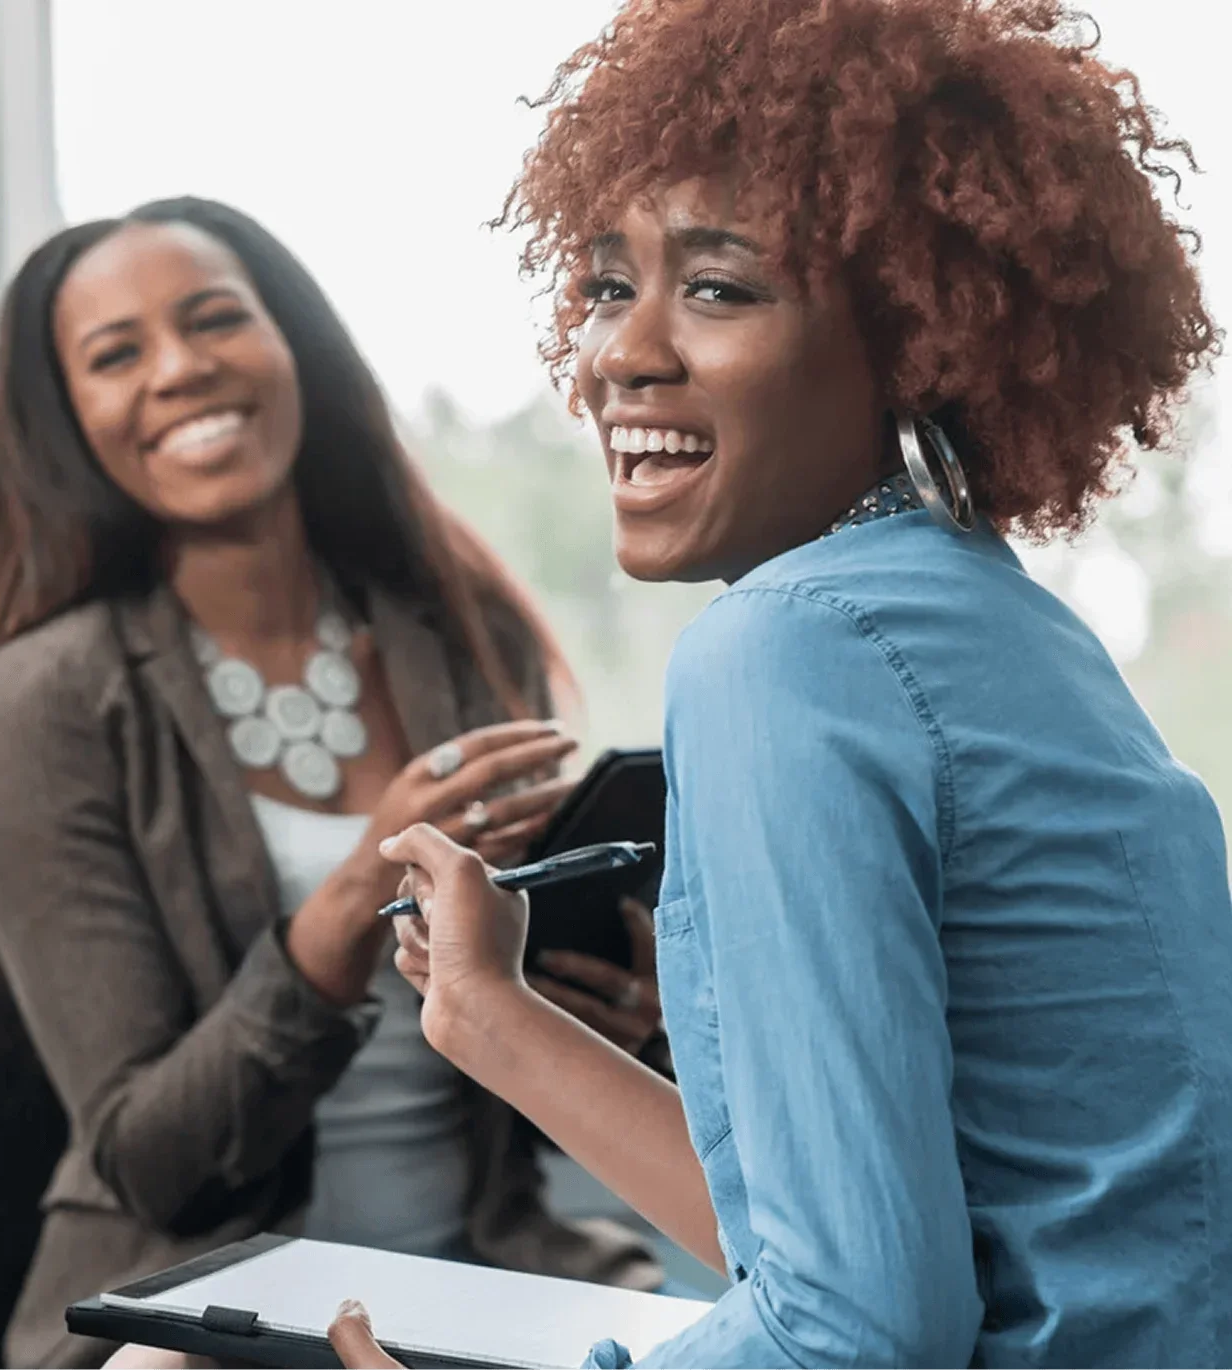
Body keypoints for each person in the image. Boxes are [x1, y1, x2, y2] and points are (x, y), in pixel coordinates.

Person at [322, 0, 1232, 1366]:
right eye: (608, 286)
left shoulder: (788, 648)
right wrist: (490, 1015)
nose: (621, 356)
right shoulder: (1010, 632)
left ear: (914, 335)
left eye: (719, 286)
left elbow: (861, 1334)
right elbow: (845, 1248)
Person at [0, 196, 668, 1370]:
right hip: (191, 1320)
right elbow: (146, 1155)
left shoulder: (457, 629)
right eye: (117, 354)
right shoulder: (46, 699)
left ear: (293, 346)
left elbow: (519, 1032)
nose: (180, 369)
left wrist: (632, 1029)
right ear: (68, 420)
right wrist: (343, 911)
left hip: (483, 1283)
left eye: (213, 319)